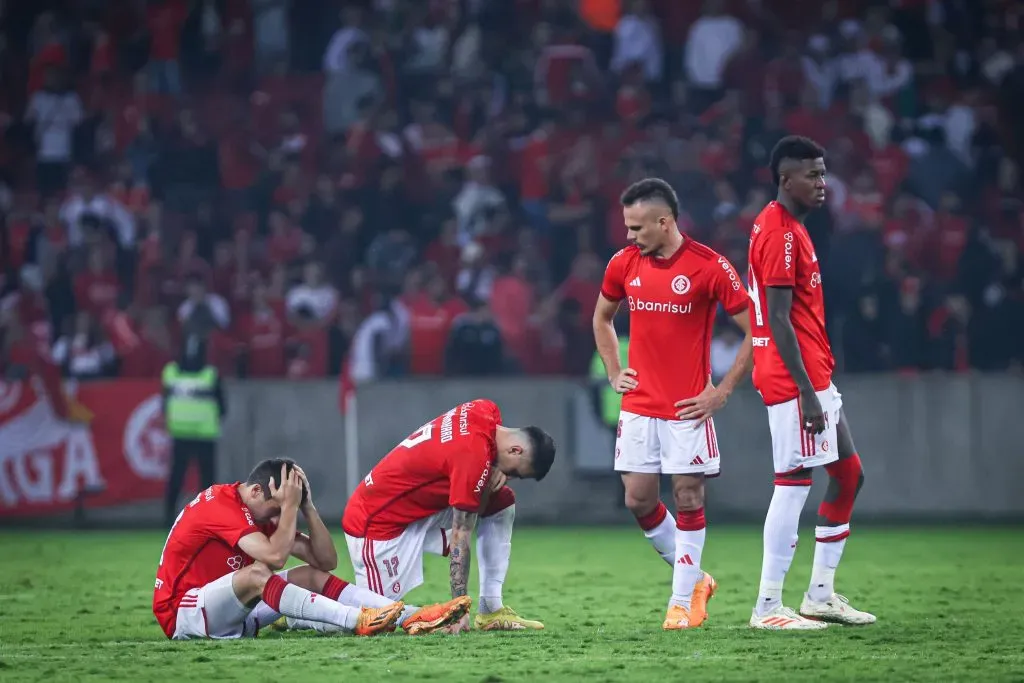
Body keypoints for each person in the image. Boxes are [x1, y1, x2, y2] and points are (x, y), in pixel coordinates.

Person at [592, 178, 753, 630]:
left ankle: (681, 602)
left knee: (687, 494)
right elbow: (602, 318)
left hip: (687, 407)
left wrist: (721, 391)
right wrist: (612, 369)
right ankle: (698, 580)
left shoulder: (710, 267)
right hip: (639, 406)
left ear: (665, 222)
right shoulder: (623, 264)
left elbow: (756, 331)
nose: (629, 236)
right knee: (637, 499)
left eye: (638, 227)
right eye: (627, 227)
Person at [745, 136, 875, 630]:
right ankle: (768, 607)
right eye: (813, 175)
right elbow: (778, 318)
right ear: (785, 179)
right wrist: (803, 388)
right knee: (793, 483)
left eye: (823, 174)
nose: (823, 184)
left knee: (848, 474)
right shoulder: (779, 232)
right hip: (793, 377)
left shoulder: (789, 227)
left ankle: (819, 594)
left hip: (813, 373)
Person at [153, 458, 470, 640]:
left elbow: (326, 561)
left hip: (231, 614)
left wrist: (306, 507)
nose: (279, 519)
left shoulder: (261, 509)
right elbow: (275, 557)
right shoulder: (221, 506)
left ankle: (413, 616)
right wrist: (288, 507)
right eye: (275, 509)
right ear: (255, 490)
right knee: (259, 573)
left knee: (310, 575)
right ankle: (355, 620)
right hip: (185, 614)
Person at [341, 399, 555, 632]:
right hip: (376, 526)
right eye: (514, 472)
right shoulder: (473, 456)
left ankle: (491, 609)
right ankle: (303, 608)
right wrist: (459, 609)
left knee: (501, 501)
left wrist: (492, 468)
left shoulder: (485, 409)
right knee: (373, 621)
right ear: (515, 450)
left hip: (416, 513)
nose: (508, 477)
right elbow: (461, 534)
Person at [161, 335, 225, 527]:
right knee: (207, 479)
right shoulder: (211, 374)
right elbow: (223, 407)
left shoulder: (170, 372)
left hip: (179, 431)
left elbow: (164, 402)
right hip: (205, 433)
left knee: (176, 476)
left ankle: (167, 518)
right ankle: (208, 519)